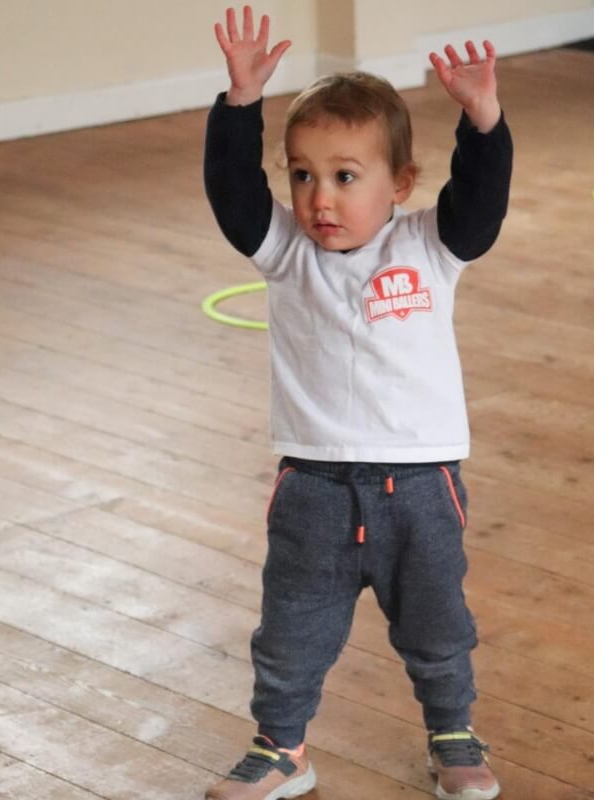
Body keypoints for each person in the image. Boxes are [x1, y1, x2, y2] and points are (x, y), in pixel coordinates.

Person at [203, 6, 512, 800]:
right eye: (302, 175)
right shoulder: (287, 256)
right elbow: (234, 193)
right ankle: (282, 750)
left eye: (345, 176)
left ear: (400, 184)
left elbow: (478, 208)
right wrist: (239, 105)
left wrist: (483, 125)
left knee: (438, 628)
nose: (319, 199)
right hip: (313, 488)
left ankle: (453, 734)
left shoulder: (428, 247)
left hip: (421, 488)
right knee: (291, 635)